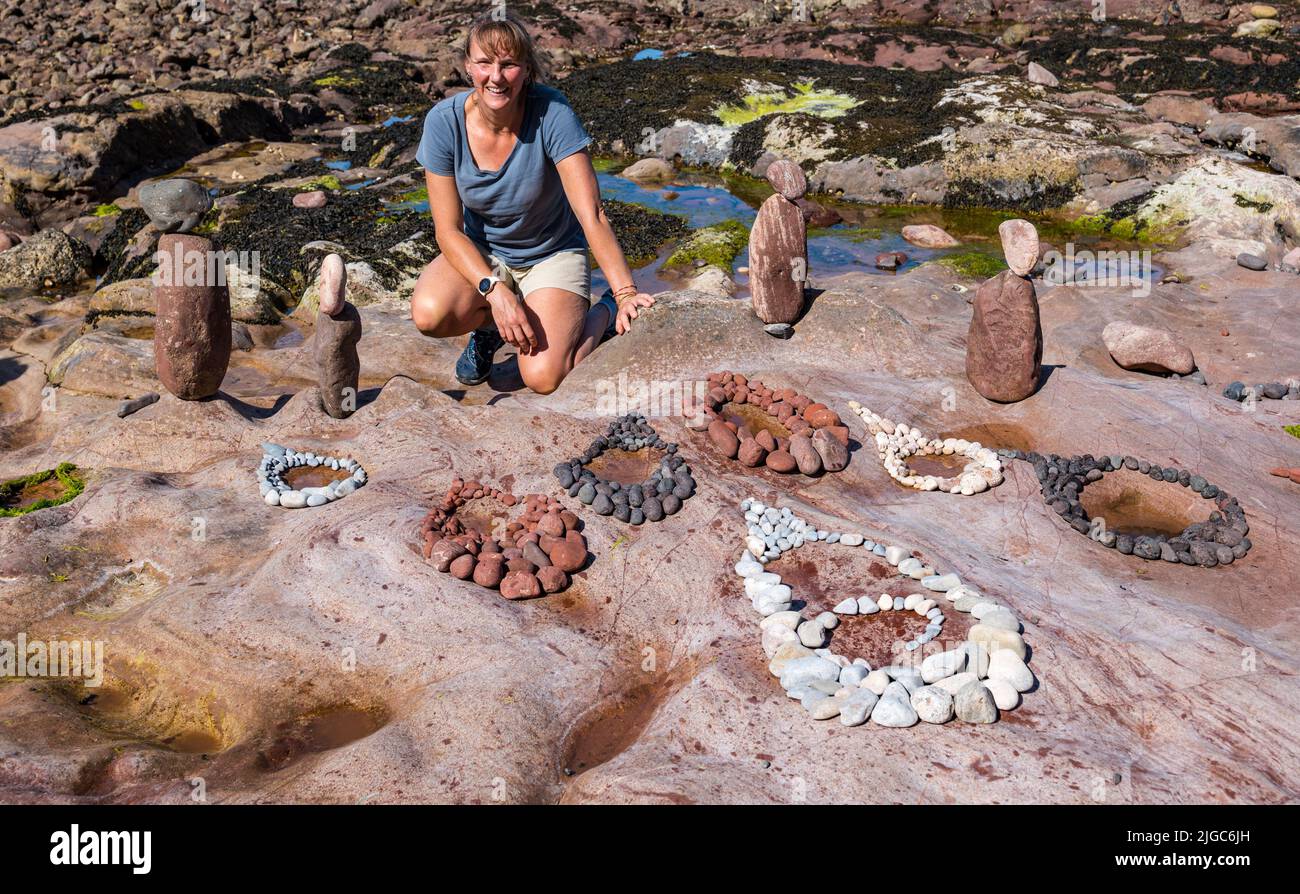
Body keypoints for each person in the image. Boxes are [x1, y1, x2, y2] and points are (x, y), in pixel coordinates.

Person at [410, 13, 656, 393]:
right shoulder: (444, 123)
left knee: (543, 377)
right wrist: (495, 292)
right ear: (467, 67)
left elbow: (591, 213)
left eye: (508, 65)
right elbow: (447, 231)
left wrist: (624, 293)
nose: (496, 76)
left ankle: (602, 310)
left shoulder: (552, 113)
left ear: (526, 70)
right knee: (429, 314)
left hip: (552, 253)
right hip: (486, 254)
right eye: (484, 63)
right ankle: (490, 329)